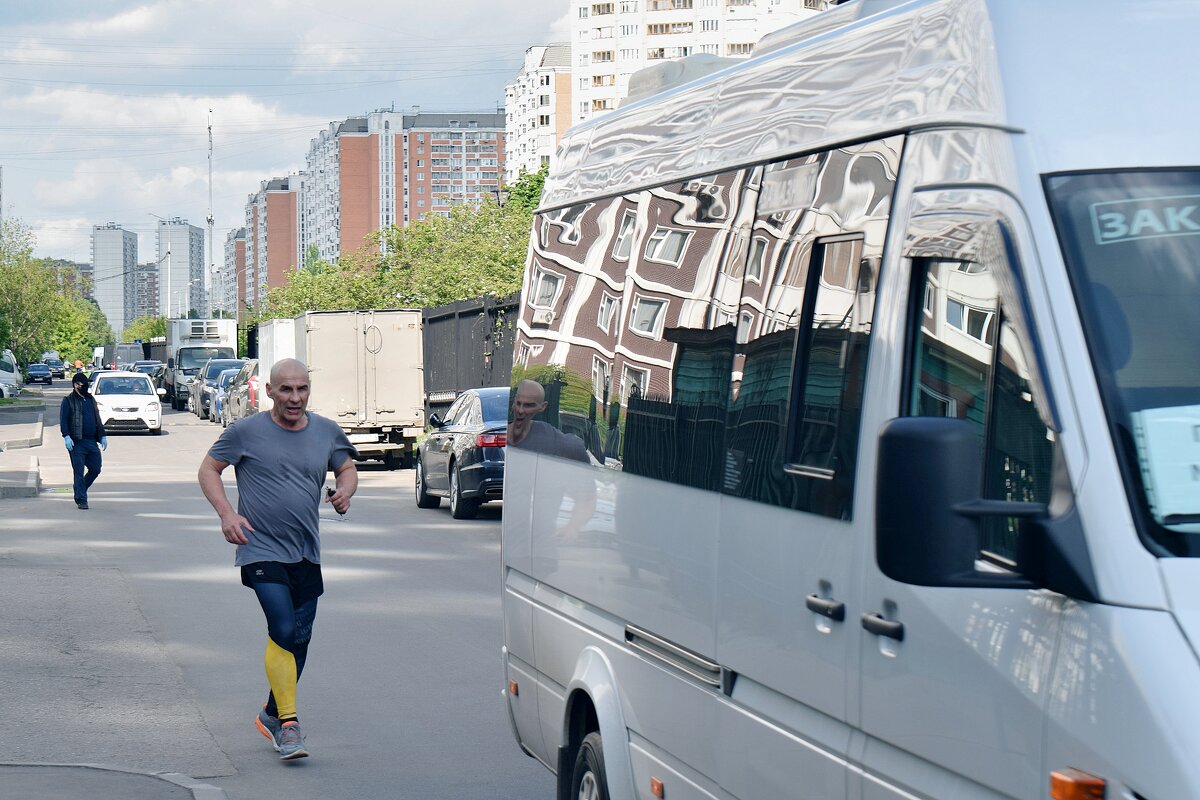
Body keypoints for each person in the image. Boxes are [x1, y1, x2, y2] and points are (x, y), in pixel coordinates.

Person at [197, 358, 358, 761]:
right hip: (260, 547)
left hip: (306, 550)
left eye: (302, 389)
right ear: (269, 391)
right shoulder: (245, 431)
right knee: (283, 628)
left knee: (299, 640)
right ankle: (289, 724)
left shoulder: (326, 431)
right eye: (286, 389)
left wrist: (345, 491)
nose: (295, 397)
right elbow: (209, 469)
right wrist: (227, 514)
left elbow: (347, 466)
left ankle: (270, 712)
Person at [507, 379, 590, 462]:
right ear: (514, 403)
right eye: (518, 403)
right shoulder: (497, 433)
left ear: (542, 407)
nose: (520, 410)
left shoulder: (547, 435)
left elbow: (577, 447)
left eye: (528, 405)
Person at [60, 372, 107, 510]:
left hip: (91, 441)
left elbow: (97, 418)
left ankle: (80, 488)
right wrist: (66, 436)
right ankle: (81, 499)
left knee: (95, 469)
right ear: (75, 385)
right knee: (78, 471)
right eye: (82, 385)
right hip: (76, 442)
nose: (85, 387)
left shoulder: (90, 399)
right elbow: (63, 420)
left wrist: (102, 435)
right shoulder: (68, 400)